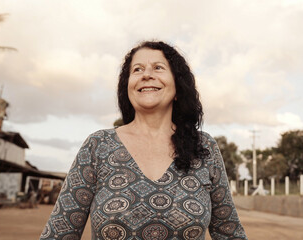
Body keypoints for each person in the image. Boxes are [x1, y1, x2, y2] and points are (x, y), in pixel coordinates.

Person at [40, 41, 248, 240]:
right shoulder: (98, 145)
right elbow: (59, 233)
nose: (147, 75)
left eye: (158, 68)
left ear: (178, 86)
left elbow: (230, 233)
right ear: (128, 87)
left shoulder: (204, 147)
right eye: (137, 70)